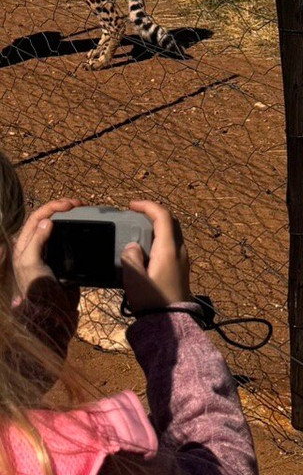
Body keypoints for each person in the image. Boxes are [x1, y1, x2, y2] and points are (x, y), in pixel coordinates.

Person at [0, 149, 258, 475]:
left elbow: (7, 388)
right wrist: (169, 319)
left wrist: (42, 315)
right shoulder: (67, 456)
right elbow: (225, 466)